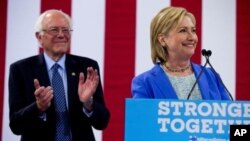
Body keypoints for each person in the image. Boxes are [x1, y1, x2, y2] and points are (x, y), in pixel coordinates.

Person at [8, 9, 110, 141]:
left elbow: (102, 122)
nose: (61, 35)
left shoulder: (87, 67)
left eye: (66, 30)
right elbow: (15, 126)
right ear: (39, 37)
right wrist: (38, 107)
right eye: (54, 30)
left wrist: (88, 103)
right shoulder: (20, 70)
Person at [131, 6, 231, 100]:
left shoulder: (211, 76)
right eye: (183, 30)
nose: (192, 37)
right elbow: (142, 117)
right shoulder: (144, 83)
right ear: (162, 40)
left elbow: (228, 115)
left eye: (193, 30)